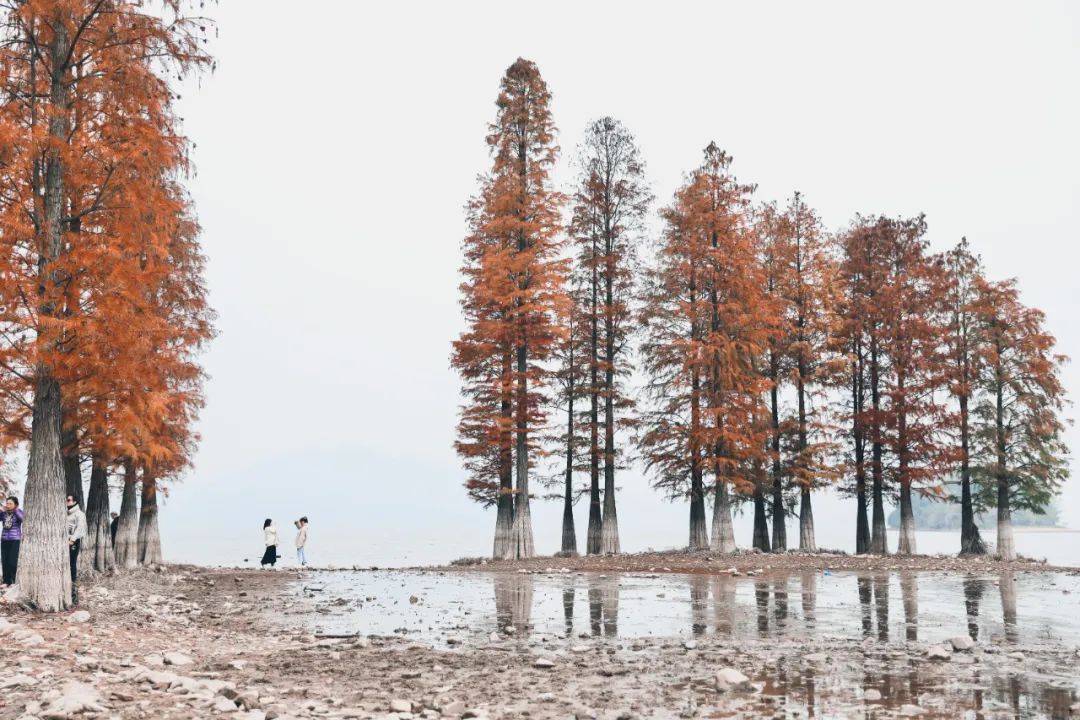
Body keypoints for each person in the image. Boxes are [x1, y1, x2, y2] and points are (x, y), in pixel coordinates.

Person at [1, 496, 24, 587]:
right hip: (4, 540)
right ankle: (6, 581)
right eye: (7, 503)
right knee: (4, 561)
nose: (8, 505)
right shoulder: (4, 513)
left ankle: (14, 581)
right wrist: (1, 510)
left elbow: (22, 519)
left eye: (10, 504)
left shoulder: (18, 512)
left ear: (16, 505)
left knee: (12, 562)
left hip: (15, 540)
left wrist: (16, 510)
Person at [67, 495, 87, 588]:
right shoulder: (67, 513)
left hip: (73, 541)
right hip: (65, 540)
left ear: (74, 502)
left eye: (68, 500)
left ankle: (73, 581)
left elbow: (80, 528)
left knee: (72, 561)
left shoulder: (79, 514)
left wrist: (72, 540)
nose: (66, 501)